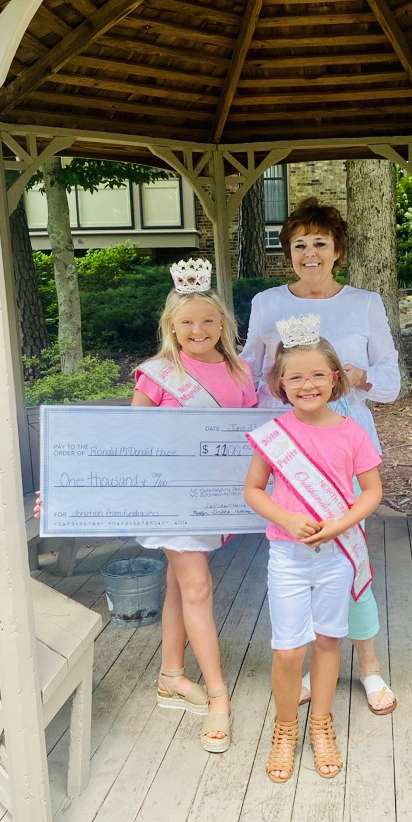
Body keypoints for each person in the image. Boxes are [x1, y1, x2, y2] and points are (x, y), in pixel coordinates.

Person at [242, 198, 400, 715]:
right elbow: (249, 373)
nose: (310, 253)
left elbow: (392, 380)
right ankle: (313, 662)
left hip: (345, 441)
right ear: (288, 252)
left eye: (320, 243)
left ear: (338, 250)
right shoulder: (266, 302)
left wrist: (359, 376)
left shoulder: (365, 303)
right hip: (289, 448)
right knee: (300, 556)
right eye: (299, 244)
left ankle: (369, 666)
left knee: (349, 554)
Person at [244, 315, 382, 782]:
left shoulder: (351, 432)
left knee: (328, 641)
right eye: (296, 377)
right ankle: (286, 727)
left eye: (318, 375)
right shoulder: (275, 435)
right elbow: (254, 490)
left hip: (336, 555)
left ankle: (321, 722)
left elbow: (372, 492)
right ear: (281, 384)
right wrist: (287, 519)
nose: (308, 385)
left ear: (335, 378)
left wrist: (339, 525)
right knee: (288, 650)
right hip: (288, 555)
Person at [132, 257, 257, 753]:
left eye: (208, 320)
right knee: (198, 587)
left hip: (214, 497)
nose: (198, 330)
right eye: (187, 322)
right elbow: (132, 438)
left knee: (179, 586)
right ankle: (219, 696)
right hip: (171, 496)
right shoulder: (159, 374)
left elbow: (250, 435)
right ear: (171, 326)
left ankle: (170, 675)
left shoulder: (241, 370)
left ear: (223, 323)